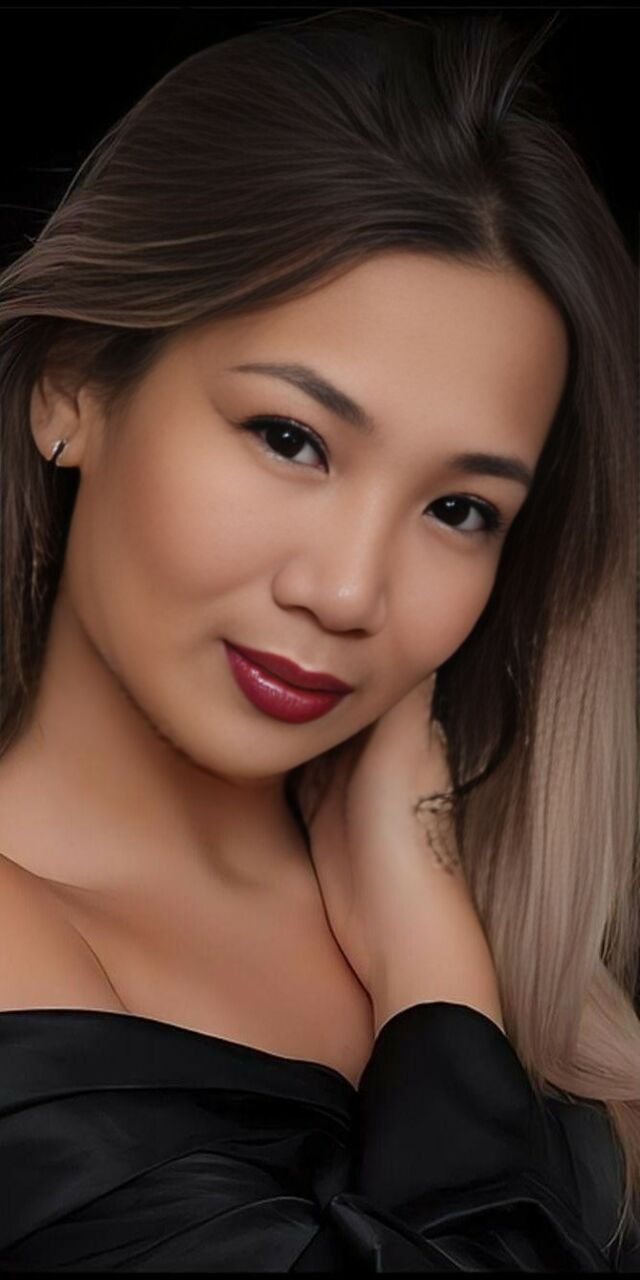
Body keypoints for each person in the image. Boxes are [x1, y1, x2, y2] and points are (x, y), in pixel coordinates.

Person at [0, 7, 637, 1272]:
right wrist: (431, 977)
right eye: (290, 438)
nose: (347, 591)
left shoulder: (548, 954)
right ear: (73, 383)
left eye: (458, 509)